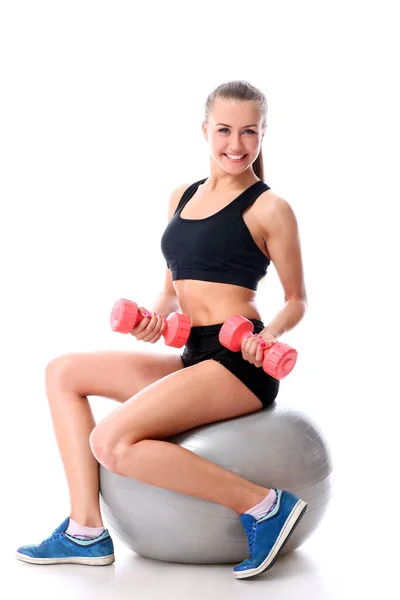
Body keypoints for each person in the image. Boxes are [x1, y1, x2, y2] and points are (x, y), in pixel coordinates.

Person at [16, 80, 308, 580]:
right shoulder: (182, 195)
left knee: (111, 441)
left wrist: (269, 337)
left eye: (248, 132)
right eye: (223, 130)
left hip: (239, 363)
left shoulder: (269, 207)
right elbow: (171, 288)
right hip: (194, 353)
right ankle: (86, 531)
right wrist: (154, 316)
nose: (235, 144)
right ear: (204, 130)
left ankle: (263, 506)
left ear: (263, 135)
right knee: (62, 372)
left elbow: (297, 300)